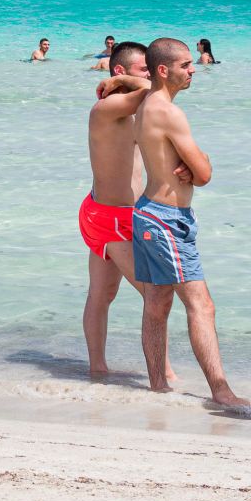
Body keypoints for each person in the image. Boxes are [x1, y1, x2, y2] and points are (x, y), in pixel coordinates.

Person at [133, 38, 245, 406]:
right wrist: (201, 161)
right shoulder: (168, 112)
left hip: (150, 212)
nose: (193, 68)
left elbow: (195, 170)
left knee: (157, 301)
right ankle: (221, 392)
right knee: (201, 304)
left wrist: (194, 164)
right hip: (166, 219)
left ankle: (157, 387)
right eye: (185, 65)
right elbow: (204, 174)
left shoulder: (149, 103)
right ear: (164, 70)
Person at [80, 41, 177, 380]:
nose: (148, 76)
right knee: (156, 293)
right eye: (142, 70)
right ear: (119, 73)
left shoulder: (136, 113)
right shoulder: (107, 108)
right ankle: (163, 375)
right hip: (109, 218)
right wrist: (142, 82)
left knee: (103, 293)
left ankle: (97, 369)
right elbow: (161, 89)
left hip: (118, 215)